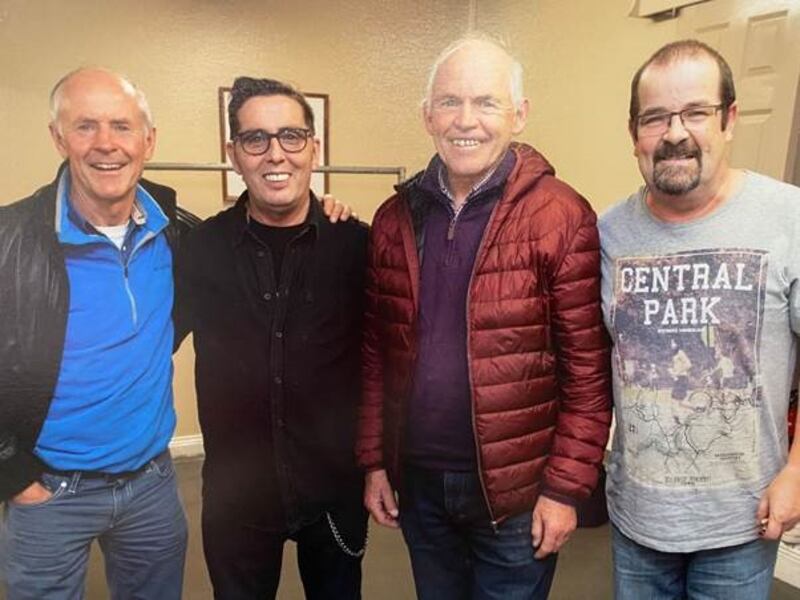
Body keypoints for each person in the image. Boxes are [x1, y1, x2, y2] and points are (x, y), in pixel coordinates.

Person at [356, 35, 612, 599]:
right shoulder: (394, 218)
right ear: (427, 116)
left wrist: (565, 490)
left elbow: (588, 376)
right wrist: (375, 462)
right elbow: (377, 355)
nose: (464, 120)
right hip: (420, 486)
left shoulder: (562, 217)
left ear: (518, 114)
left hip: (518, 494)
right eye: (449, 102)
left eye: (486, 102)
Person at [600, 39, 800, 599]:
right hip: (637, 522)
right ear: (634, 131)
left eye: (695, 112)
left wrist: (797, 472)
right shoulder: (607, 233)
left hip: (741, 524)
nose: (674, 133)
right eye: (656, 117)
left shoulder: (788, 217)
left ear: (729, 118)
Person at [0, 68, 192, 599]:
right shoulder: (8, 241)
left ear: (148, 140)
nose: (106, 144)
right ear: (58, 138)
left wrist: (327, 210)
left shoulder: (175, 232)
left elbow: (250, 242)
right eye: (85, 126)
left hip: (152, 486)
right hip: (48, 492)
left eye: (121, 126)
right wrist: (13, 477)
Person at [174, 77, 368, 599]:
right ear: (234, 154)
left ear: (314, 148)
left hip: (333, 493)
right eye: (255, 139)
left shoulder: (355, 245)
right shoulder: (200, 250)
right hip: (236, 499)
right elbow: (144, 346)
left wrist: (381, 462)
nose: (275, 153)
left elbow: (385, 361)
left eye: (291, 136)